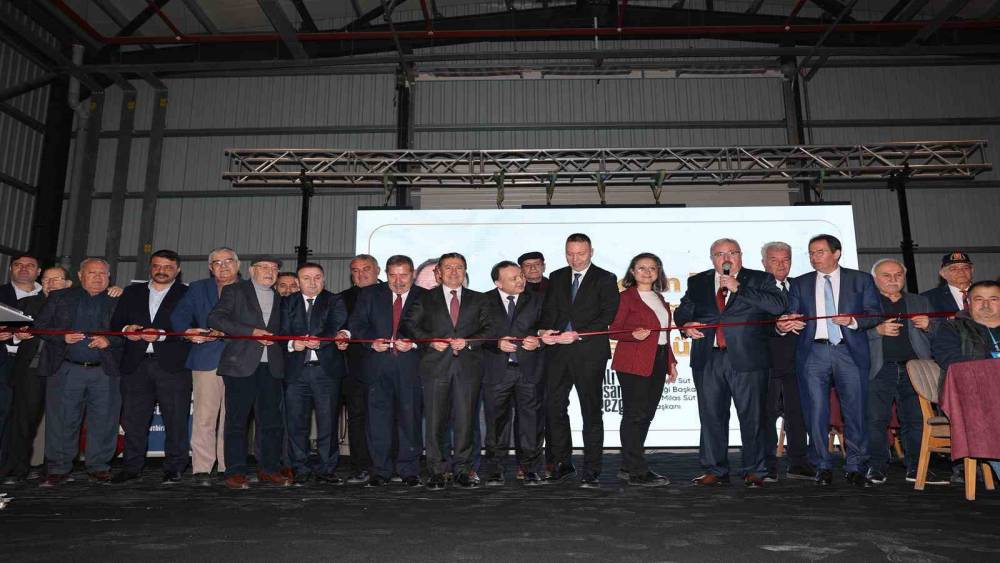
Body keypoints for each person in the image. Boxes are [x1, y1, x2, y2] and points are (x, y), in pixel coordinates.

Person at [675, 238, 786, 488]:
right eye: (719, 254)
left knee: (753, 417)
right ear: (712, 258)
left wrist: (739, 288)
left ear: (740, 255)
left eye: (732, 253)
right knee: (711, 416)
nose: (726, 259)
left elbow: (777, 305)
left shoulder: (759, 279)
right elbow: (683, 311)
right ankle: (715, 470)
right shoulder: (698, 281)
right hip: (708, 358)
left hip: (748, 358)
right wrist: (685, 325)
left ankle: (754, 470)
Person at [777, 234, 882, 487]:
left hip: (849, 351)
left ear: (836, 253)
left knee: (855, 411)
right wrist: (786, 323)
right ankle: (822, 465)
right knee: (815, 411)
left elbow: (875, 314)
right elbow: (791, 314)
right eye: (811, 253)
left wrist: (853, 321)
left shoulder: (860, 280)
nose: (814, 257)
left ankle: (856, 466)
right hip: (813, 352)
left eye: (820, 252)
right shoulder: (800, 283)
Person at [401, 252, 493, 490]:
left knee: (466, 422)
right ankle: (437, 472)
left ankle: (463, 471)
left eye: (459, 267)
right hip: (435, 367)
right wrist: (429, 340)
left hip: (468, 368)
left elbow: (489, 328)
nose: (454, 272)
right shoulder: (424, 298)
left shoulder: (480, 299)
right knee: (434, 423)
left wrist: (469, 342)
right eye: (448, 267)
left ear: (465, 271)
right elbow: (409, 324)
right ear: (439, 273)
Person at [538, 233, 620, 488]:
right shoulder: (557, 276)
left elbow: (608, 315)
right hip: (557, 353)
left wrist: (578, 334)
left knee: (591, 410)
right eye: (570, 254)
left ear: (591, 252)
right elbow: (548, 310)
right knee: (554, 408)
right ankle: (561, 463)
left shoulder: (605, 278)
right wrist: (545, 331)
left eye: (580, 254)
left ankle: (592, 469)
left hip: (588, 353)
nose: (575, 259)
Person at [35, 258, 122, 487]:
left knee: (104, 420)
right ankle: (58, 468)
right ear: (81, 276)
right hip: (66, 369)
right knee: (62, 420)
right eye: (92, 273)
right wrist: (61, 337)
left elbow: (131, 332)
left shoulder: (120, 300)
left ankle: (99, 467)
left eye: (102, 273)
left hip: (105, 371)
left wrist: (110, 341)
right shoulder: (60, 297)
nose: (97, 277)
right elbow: (39, 326)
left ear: (109, 277)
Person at [342, 255, 426, 487]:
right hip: (377, 367)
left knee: (410, 421)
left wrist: (414, 343)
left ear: (413, 274)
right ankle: (380, 471)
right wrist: (371, 342)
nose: (398, 281)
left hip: (411, 368)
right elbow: (357, 325)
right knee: (377, 422)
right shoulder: (369, 295)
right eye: (392, 276)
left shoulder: (426, 297)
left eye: (404, 275)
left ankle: (409, 471)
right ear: (386, 274)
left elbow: (432, 330)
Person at [110, 250, 192, 485]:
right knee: (134, 421)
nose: (161, 271)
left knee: (175, 420)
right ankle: (131, 467)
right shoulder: (131, 292)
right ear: (150, 267)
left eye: (168, 267)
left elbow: (193, 326)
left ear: (177, 270)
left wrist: (162, 335)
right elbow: (116, 323)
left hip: (173, 366)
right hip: (135, 365)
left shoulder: (187, 293)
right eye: (157, 266)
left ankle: (175, 467)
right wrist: (127, 331)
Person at [208, 257, 288, 490]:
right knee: (237, 421)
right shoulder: (235, 290)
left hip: (272, 367)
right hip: (240, 366)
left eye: (274, 268)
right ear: (252, 270)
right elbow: (215, 318)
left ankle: (269, 469)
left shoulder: (281, 298)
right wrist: (251, 332)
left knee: (271, 422)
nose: (270, 271)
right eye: (265, 267)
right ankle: (235, 471)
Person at [865, 258, 942, 486]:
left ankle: (918, 467)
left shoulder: (920, 301)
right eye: (886, 275)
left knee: (916, 419)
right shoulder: (865, 302)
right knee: (875, 419)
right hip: (879, 369)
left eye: (898, 275)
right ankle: (877, 466)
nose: (893, 279)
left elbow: (941, 334)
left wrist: (930, 326)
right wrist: (876, 331)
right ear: (874, 279)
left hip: (915, 369)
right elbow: (851, 335)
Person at [170, 247, 239, 486]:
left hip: (241, 360)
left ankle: (228, 465)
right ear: (210, 268)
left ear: (237, 264)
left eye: (228, 261)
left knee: (233, 417)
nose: (223, 266)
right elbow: (179, 317)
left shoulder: (249, 289)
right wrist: (187, 331)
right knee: (204, 417)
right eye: (217, 263)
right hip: (205, 358)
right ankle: (202, 468)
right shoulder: (198, 288)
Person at [608, 253, 678, 487]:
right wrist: (632, 334)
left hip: (658, 358)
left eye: (652, 268)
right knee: (635, 415)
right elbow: (613, 330)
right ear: (632, 271)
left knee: (646, 415)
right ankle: (637, 471)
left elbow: (664, 335)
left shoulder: (659, 298)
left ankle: (628, 466)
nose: (647, 272)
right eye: (641, 268)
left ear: (658, 272)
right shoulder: (625, 297)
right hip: (633, 361)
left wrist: (670, 362)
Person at [0, 267, 71, 484]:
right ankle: (17, 469)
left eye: (57, 279)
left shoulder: (75, 304)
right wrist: (17, 336)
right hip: (30, 369)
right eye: (46, 279)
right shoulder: (27, 303)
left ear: (68, 283)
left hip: (62, 369)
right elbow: (8, 334)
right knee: (23, 422)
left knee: (60, 423)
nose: (50, 283)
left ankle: (55, 470)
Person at [279, 262, 347, 485]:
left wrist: (321, 341)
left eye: (317, 277)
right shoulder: (287, 302)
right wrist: (292, 343)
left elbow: (335, 325)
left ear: (323, 280)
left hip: (325, 372)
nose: (312, 282)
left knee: (328, 423)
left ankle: (327, 468)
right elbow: (281, 331)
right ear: (298, 282)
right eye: (306, 278)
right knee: (296, 423)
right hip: (296, 373)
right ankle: (300, 468)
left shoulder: (334, 300)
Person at [481, 261, 545, 487]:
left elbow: (546, 328)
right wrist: (496, 343)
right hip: (497, 371)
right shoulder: (483, 301)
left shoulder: (537, 299)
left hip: (529, 370)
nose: (520, 280)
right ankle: (495, 470)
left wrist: (538, 341)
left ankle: (530, 469)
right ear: (498, 283)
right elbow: (475, 333)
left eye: (520, 276)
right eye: (513, 278)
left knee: (530, 423)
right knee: (496, 424)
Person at [931, 280, 1000, 482]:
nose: (986, 304)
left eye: (993, 299)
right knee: (991, 421)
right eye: (979, 299)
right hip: (973, 399)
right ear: (968, 302)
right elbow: (950, 360)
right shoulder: (952, 328)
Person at [760, 242, 814, 482]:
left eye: (786, 259)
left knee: (798, 415)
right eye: (774, 260)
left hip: (799, 361)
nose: (781, 264)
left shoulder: (801, 286)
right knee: (766, 416)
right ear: (764, 262)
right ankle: (767, 465)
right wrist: (778, 327)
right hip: (766, 361)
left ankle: (798, 463)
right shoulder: (755, 289)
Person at [335, 253, 381, 484]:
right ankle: (360, 467)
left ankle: (387, 466)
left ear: (378, 270)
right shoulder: (342, 298)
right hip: (355, 369)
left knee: (388, 418)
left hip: (387, 367)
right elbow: (338, 327)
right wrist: (340, 336)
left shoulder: (392, 292)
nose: (360, 274)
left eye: (366, 269)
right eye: (355, 270)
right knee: (357, 419)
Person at [0, 254, 42, 464]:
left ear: (39, 272)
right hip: (2, 361)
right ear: (11, 269)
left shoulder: (49, 295)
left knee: (25, 418)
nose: (23, 269)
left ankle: (15, 466)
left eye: (30, 265)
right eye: (18, 265)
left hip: (31, 366)